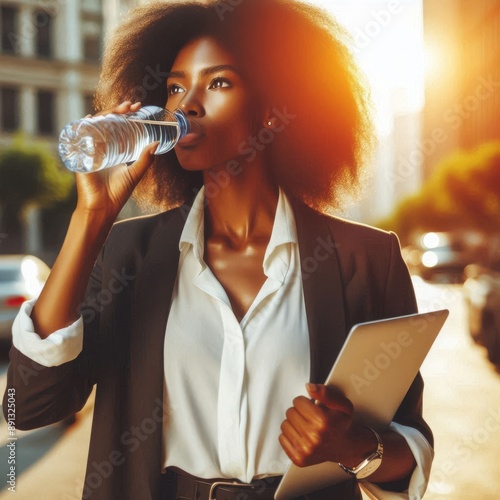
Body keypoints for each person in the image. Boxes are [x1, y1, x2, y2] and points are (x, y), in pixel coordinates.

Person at [2, 1, 434, 499]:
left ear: (273, 110)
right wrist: (92, 218)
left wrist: (354, 446)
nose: (186, 104)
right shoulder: (129, 252)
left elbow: (409, 441)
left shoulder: (365, 259)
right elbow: (27, 407)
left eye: (219, 82)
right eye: (175, 87)